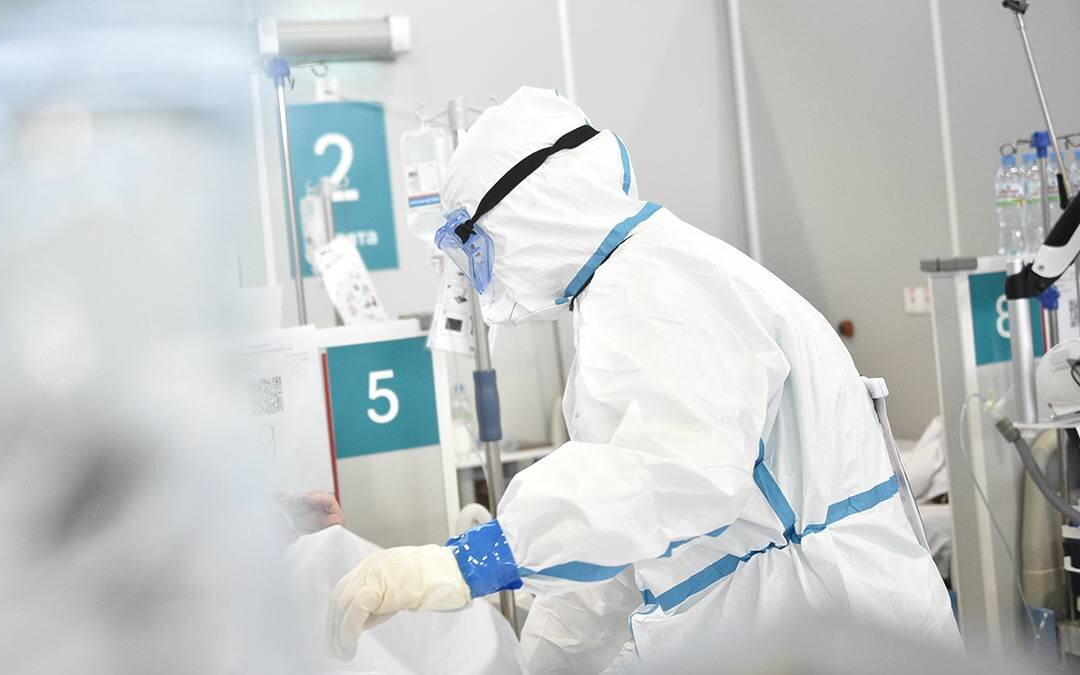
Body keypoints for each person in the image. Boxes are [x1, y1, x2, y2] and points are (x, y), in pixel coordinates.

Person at [328, 86, 959, 672]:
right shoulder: (621, 295)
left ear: (532, 208)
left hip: (824, 623)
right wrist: (544, 658)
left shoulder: (662, 288)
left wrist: (476, 559)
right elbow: (626, 536)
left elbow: (672, 477)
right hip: (774, 623)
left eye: (475, 244)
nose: (476, 273)